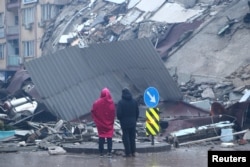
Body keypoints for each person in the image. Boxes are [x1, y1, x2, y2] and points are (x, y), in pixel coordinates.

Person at [91, 88, 115, 158]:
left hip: (100, 123)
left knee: (101, 136)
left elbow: (93, 111)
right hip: (109, 123)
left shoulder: (97, 103)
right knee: (109, 137)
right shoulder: (111, 103)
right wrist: (111, 121)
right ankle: (109, 152)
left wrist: (96, 119)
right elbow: (113, 113)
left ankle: (101, 152)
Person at [117, 87, 139, 157]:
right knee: (132, 137)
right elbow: (137, 112)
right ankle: (133, 152)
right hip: (133, 122)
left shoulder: (121, 102)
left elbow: (119, 114)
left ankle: (128, 152)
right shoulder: (134, 101)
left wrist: (121, 119)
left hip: (124, 123)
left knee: (126, 138)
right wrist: (135, 119)